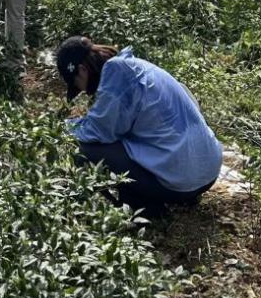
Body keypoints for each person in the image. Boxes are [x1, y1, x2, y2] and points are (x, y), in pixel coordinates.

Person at [57, 36, 223, 218]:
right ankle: (179, 194)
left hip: (181, 183)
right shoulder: (136, 65)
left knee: (81, 148)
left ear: (82, 70)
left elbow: (99, 132)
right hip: (209, 174)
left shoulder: (116, 73)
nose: (85, 92)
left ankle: (145, 208)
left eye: (77, 85)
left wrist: (58, 129)